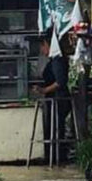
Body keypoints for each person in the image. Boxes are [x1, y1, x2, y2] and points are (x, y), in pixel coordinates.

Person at [35, 33, 72, 162]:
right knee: (55, 127)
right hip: (55, 99)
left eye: (42, 46)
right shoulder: (55, 60)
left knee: (56, 128)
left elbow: (59, 82)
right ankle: (55, 155)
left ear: (47, 44)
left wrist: (44, 90)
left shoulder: (57, 61)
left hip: (59, 99)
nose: (41, 50)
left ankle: (57, 156)